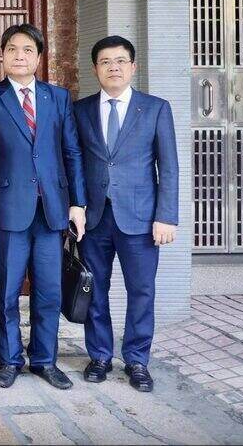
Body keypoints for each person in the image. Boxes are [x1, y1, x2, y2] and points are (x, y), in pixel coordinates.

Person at [0, 23, 87, 391]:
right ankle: (8, 360)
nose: (19, 56)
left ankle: (44, 359)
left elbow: (71, 152)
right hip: (7, 210)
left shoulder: (58, 98)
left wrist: (78, 203)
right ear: (2, 54)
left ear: (38, 57)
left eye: (27, 50)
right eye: (12, 49)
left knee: (49, 290)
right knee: (6, 290)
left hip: (52, 210)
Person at [73, 35, 178, 393]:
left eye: (120, 61)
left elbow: (170, 166)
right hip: (95, 219)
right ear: (95, 69)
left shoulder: (155, 108)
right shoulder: (81, 109)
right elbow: (74, 163)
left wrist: (166, 216)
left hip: (142, 220)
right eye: (105, 61)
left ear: (133, 67)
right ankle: (100, 355)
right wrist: (78, 206)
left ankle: (136, 359)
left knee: (142, 291)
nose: (113, 67)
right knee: (95, 291)